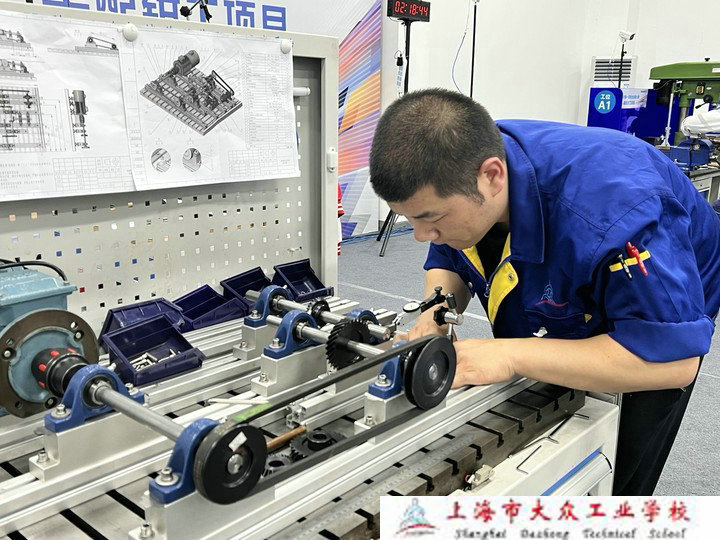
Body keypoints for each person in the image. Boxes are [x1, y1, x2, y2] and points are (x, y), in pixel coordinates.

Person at [369, 88, 720, 496]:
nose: (420, 235)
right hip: (574, 242)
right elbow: (450, 254)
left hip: (659, 293)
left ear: (493, 176)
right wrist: (435, 314)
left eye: (431, 218)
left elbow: (672, 363)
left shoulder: (617, 215)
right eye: (410, 219)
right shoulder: (462, 168)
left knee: (616, 462)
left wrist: (509, 355)